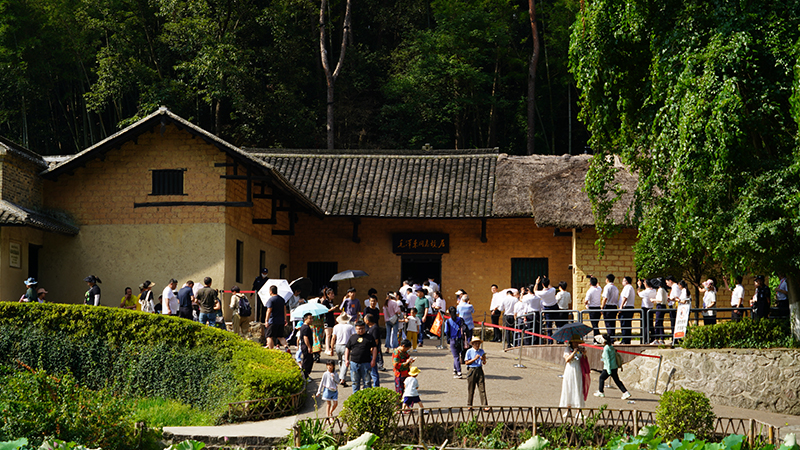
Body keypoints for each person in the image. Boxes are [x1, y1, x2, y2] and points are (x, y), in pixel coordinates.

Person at [593, 334, 631, 399]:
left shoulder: (606, 348)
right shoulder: (611, 347)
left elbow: (607, 359)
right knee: (617, 380)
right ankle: (625, 392)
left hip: (608, 367)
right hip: (614, 367)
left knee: (601, 378)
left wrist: (608, 369)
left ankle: (601, 391)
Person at [344, 320, 378, 393]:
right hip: (354, 363)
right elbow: (347, 348)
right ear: (355, 329)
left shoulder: (369, 337)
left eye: (362, 328)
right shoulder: (352, 337)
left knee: (367, 382)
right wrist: (346, 359)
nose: (361, 330)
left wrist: (373, 360)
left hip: (366, 362)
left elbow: (375, 348)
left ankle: (366, 398)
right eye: (359, 329)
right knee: (355, 382)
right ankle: (355, 397)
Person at [559, 337, 590, 409]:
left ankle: (578, 410)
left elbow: (583, 360)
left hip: (578, 369)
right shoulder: (568, 349)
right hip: (570, 369)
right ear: (571, 342)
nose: (576, 344)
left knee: (578, 387)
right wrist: (574, 352)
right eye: (574, 342)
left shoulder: (580, 349)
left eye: (577, 342)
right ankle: (568, 409)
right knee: (569, 387)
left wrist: (584, 354)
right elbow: (567, 359)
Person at [331, 313, 355, 386]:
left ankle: (341, 376)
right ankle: (342, 378)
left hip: (338, 345)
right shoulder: (350, 327)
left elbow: (333, 338)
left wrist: (331, 348)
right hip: (346, 345)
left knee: (340, 361)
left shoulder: (336, 327)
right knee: (345, 362)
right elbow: (354, 336)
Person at [464, 336, 488, 408]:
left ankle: (485, 405)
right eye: (476, 344)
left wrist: (483, 359)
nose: (477, 345)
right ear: (473, 344)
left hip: (479, 369)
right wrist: (474, 359)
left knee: (482, 388)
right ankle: (469, 404)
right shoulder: (469, 351)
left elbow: (484, 362)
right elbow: (466, 362)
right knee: (471, 388)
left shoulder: (481, 351)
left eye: (478, 344)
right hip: (472, 370)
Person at [444, 306, 465, 378]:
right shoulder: (460, 319)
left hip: (452, 340)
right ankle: (455, 369)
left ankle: (459, 372)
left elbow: (446, 331)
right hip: (460, 339)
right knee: (457, 355)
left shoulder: (448, 321)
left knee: (456, 356)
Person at [265, 285, 288, 350]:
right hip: (281, 321)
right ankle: (286, 347)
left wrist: (266, 320)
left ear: (271, 291)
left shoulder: (271, 300)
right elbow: (284, 310)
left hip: (273, 321)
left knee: (269, 336)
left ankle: (271, 350)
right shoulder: (282, 299)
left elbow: (269, 310)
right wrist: (285, 319)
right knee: (280, 336)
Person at [364, 313, 383, 386]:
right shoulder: (369, 327)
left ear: (368, 320)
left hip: (373, 353)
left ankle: (376, 386)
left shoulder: (374, 328)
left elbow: (376, 341)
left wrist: (372, 349)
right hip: (369, 352)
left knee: (373, 371)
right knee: (368, 371)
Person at [320, 287, 339, 355]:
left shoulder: (331, 302)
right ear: (328, 294)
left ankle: (330, 348)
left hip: (331, 319)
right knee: (327, 335)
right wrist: (332, 309)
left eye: (333, 293)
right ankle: (327, 348)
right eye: (331, 294)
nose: (333, 295)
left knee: (331, 334)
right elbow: (325, 310)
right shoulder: (325, 301)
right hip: (326, 319)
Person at [638, 279, 656, 343]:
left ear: (646, 284)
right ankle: (653, 338)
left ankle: (645, 339)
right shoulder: (654, 290)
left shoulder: (645, 292)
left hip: (645, 309)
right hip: (651, 308)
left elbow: (638, 293)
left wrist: (639, 286)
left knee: (645, 325)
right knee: (651, 324)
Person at [618, 277, 636, 344]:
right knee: (626, 324)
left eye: (623, 281)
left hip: (626, 307)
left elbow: (625, 297)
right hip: (628, 307)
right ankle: (626, 339)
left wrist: (621, 307)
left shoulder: (627, 287)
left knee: (625, 324)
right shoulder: (630, 287)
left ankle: (625, 340)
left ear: (627, 281)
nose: (622, 282)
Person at [298, 312, 315, 379]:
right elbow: (305, 338)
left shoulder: (307, 327)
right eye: (310, 318)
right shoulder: (305, 328)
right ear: (305, 319)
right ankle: (304, 375)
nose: (311, 320)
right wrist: (309, 347)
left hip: (306, 346)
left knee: (309, 360)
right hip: (306, 347)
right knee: (307, 361)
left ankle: (306, 375)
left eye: (312, 318)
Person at [653, 279, 668, 344]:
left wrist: (654, 300)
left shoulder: (661, 290)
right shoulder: (664, 290)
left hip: (660, 306)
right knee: (660, 323)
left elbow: (660, 300)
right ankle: (661, 338)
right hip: (663, 306)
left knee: (657, 322)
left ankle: (657, 338)